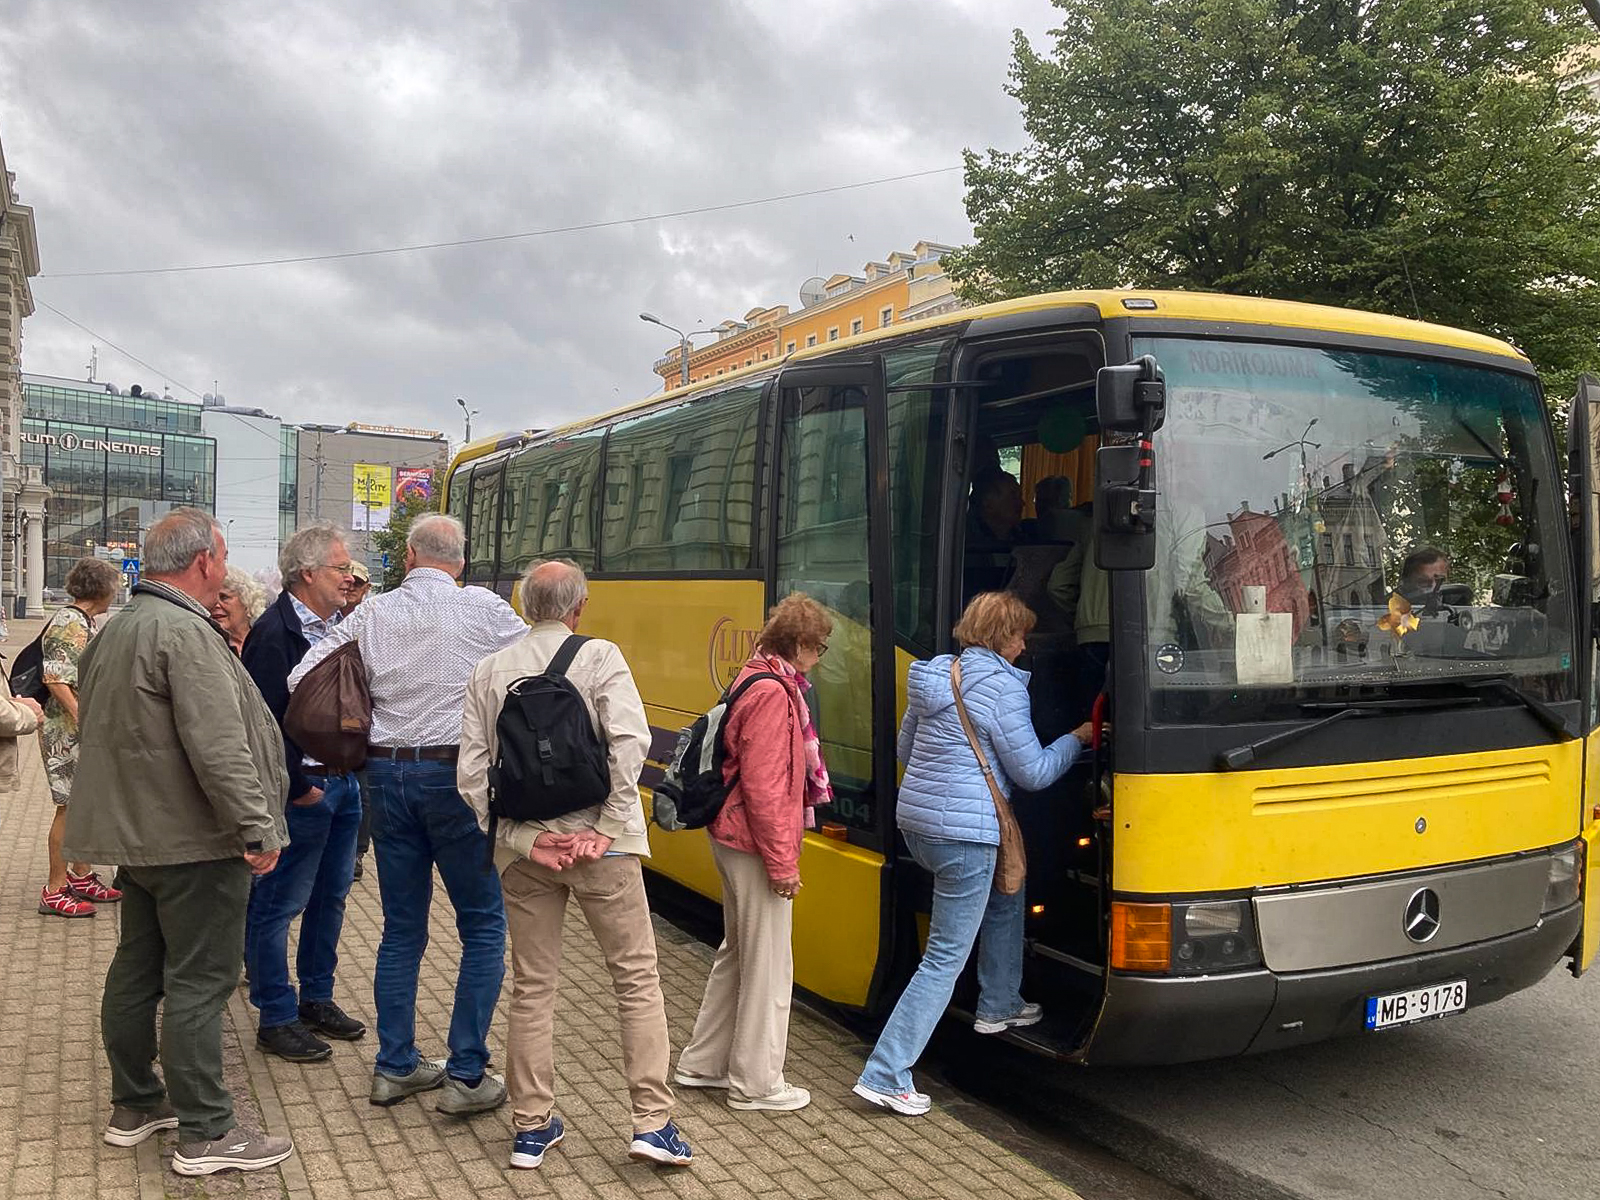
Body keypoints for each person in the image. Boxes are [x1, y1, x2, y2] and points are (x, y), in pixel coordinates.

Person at [62, 508, 292, 1175]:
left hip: (139, 835)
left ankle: (136, 1104)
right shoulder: (185, 633)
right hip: (192, 839)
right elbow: (219, 747)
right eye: (222, 555)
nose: (224, 568)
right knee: (201, 979)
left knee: (138, 967)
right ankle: (208, 1132)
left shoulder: (120, 626)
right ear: (202, 562)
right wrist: (256, 825)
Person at [459, 558, 693, 1169]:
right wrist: (605, 828)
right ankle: (651, 1124)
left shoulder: (488, 669)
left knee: (533, 986)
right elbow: (631, 743)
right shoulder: (601, 656)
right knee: (635, 979)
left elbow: (472, 774)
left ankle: (531, 1128)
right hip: (603, 849)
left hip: (527, 854)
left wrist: (521, 838)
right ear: (579, 607)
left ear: (523, 606)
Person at [288, 513, 526, 1114]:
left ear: (411, 557)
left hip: (386, 777)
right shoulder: (486, 610)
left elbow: (300, 676)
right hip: (457, 777)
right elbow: (539, 664)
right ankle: (467, 1074)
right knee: (482, 925)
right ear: (461, 562)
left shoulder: (373, 612)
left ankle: (395, 1066)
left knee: (401, 929)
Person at [854, 592, 1090, 1117]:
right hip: (966, 835)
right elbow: (1034, 773)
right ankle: (886, 1073)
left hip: (918, 825)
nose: (1025, 645)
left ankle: (999, 1001)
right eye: (1020, 635)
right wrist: (1076, 738)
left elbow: (905, 751)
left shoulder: (937, 674)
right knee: (943, 958)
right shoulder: (1004, 689)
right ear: (1002, 637)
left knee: (1008, 889)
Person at [675, 593, 832, 1114]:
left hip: (733, 834)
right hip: (752, 840)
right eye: (819, 647)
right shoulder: (772, 693)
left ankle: (704, 1063)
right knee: (769, 964)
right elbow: (765, 786)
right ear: (801, 643)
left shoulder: (753, 675)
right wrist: (783, 864)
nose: (819, 657)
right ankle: (756, 1083)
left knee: (739, 952)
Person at [241, 525, 365, 1063]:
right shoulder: (275, 633)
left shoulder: (341, 627)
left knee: (330, 898)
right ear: (308, 573)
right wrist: (297, 787)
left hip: (344, 783)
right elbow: (261, 723)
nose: (350, 576)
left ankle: (316, 998)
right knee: (277, 904)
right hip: (306, 792)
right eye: (342, 567)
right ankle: (276, 1016)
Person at [36, 556, 123, 918]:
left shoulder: (81, 620)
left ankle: (82, 874)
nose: (116, 592)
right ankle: (55, 889)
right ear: (101, 589)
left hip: (75, 730)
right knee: (68, 808)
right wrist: (83, 719)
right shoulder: (70, 622)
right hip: (66, 733)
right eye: (114, 586)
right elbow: (55, 678)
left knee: (81, 805)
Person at [337, 559, 375, 880]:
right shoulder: (328, 619)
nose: (351, 588)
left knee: (363, 792)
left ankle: (358, 853)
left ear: (367, 588)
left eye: (358, 584)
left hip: (363, 719)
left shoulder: (374, 621)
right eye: (348, 581)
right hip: (330, 718)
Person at [211, 567, 269, 655]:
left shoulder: (266, 638)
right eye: (212, 598)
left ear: (246, 600)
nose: (216, 605)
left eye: (224, 597)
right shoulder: (208, 645)